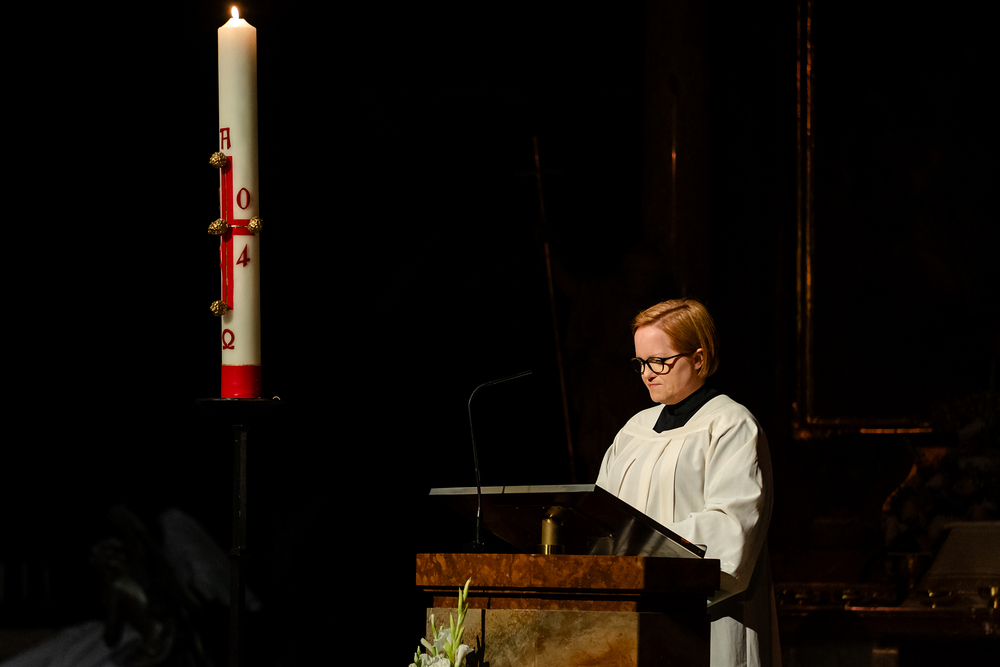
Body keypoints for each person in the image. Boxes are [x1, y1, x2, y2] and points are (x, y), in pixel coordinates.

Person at [596, 298, 780, 667]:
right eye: (640, 363)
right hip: (632, 615)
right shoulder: (634, 430)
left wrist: (639, 549)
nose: (648, 374)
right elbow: (600, 515)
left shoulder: (730, 425)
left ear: (698, 358)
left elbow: (731, 529)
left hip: (706, 617)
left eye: (659, 361)